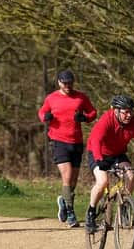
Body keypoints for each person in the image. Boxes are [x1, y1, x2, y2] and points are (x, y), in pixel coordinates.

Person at [84, 94, 134, 233]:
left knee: (130, 175)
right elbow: (96, 140)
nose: (129, 115)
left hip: (117, 154)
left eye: (131, 111)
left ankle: (124, 208)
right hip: (98, 153)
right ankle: (91, 212)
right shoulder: (107, 120)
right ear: (115, 111)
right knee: (103, 181)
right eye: (125, 112)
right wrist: (99, 160)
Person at [38, 69, 97, 228]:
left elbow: (92, 112)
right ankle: (70, 213)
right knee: (67, 174)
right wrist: (46, 117)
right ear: (59, 82)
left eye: (70, 82)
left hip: (76, 141)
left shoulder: (81, 97)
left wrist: (85, 118)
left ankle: (63, 201)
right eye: (64, 83)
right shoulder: (51, 98)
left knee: (74, 180)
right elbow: (42, 112)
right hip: (58, 141)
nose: (68, 86)